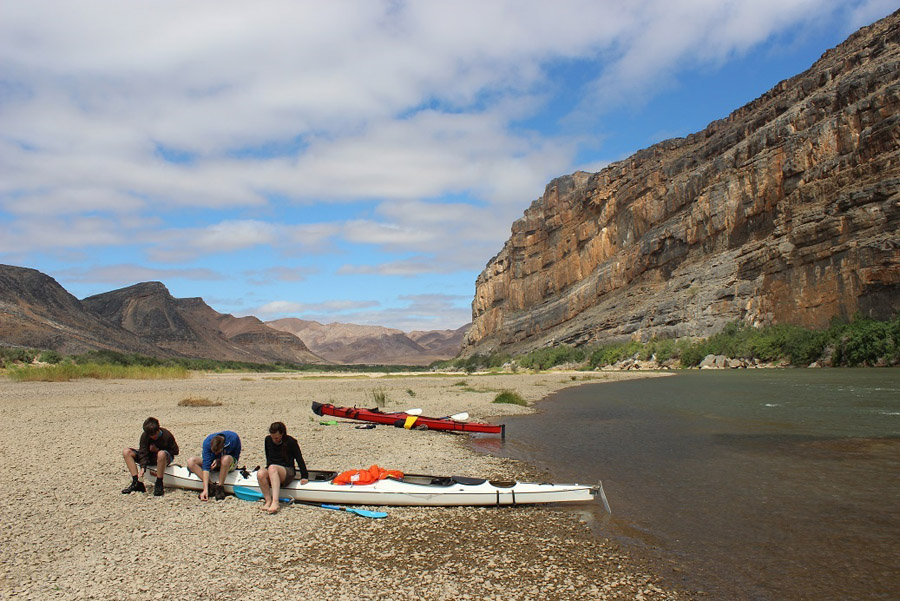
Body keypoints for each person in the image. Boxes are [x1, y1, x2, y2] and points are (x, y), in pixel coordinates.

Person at [257, 421, 308, 514]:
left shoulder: (291, 441)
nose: (274, 440)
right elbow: (268, 457)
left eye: (276, 438)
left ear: (282, 434)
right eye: (273, 438)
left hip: (287, 471)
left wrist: (304, 476)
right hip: (273, 469)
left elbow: (299, 459)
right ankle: (268, 500)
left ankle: (275, 502)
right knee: (261, 473)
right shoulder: (267, 440)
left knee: (272, 468)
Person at [121, 417, 179, 497]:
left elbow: (175, 451)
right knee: (126, 452)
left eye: (154, 434)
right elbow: (143, 452)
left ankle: (159, 483)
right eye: (150, 435)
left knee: (161, 453)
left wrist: (157, 450)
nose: (152, 437)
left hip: (163, 458)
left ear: (158, 429)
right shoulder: (145, 436)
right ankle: (136, 483)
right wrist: (142, 467)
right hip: (150, 457)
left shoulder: (167, 435)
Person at [186, 430, 241, 501]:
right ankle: (211, 486)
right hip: (213, 462)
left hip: (228, 462)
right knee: (191, 461)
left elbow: (235, 457)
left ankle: (220, 487)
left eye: (217, 452)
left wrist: (218, 460)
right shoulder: (207, 442)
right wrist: (205, 489)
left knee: (225, 459)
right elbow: (206, 466)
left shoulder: (233, 438)